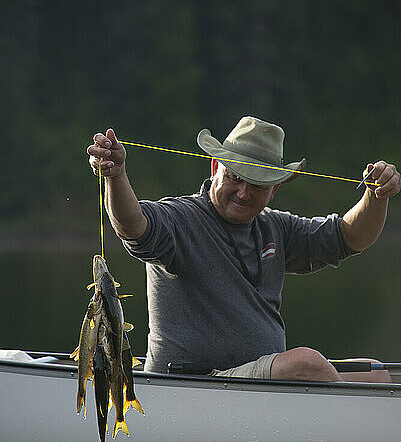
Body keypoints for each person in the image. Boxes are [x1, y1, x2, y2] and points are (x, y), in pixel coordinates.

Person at [87, 116, 400, 382]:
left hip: (257, 390)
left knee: (377, 375)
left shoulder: (276, 227)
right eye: (236, 177)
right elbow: (132, 226)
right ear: (215, 168)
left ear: (275, 189)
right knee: (306, 364)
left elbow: (349, 237)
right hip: (194, 386)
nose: (243, 193)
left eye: (258, 185)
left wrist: (377, 196)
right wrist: (115, 176)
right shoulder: (180, 219)